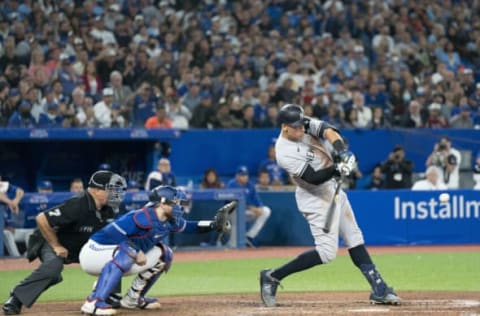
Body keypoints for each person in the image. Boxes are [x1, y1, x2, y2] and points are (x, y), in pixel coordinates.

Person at [259, 104, 400, 307]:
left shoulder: (303, 124)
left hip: (332, 189)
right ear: (284, 127)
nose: (301, 130)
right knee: (326, 253)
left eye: (301, 125)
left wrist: (343, 152)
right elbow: (313, 178)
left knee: (354, 238)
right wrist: (337, 169)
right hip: (313, 197)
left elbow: (328, 129)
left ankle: (379, 288)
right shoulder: (283, 152)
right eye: (296, 127)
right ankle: (273, 276)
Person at [79, 186, 235, 315]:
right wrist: (133, 249)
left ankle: (133, 299)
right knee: (129, 251)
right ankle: (94, 302)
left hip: (118, 256)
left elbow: (190, 226)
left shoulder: (170, 220)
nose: (179, 207)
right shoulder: (140, 217)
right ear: (162, 203)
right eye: (175, 203)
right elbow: (110, 233)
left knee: (165, 254)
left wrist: (214, 225)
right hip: (94, 253)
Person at [2, 171, 127, 315]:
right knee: (53, 269)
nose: (116, 194)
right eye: (111, 190)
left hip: (80, 245)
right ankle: (16, 299)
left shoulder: (109, 209)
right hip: (51, 240)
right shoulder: (78, 204)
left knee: (116, 254)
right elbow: (42, 218)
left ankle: (108, 294)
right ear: (97, 190)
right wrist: (56, 245)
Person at [226, 165, 271, 247]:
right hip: (232, 213)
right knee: (235, 213)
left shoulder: (250, 185)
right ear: (237, 176)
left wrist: (259, 208)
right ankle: (232, 243)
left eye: (246, 175)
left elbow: (257, 200)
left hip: (247, 213)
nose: (245, 177)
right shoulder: (231, 184)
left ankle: (249, 237)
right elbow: (233, 203)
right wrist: (251, 208)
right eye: (242, 175)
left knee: (266, 211)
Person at [0, 175, 25, 258]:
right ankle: (16, 257)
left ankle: (26, 257)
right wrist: (11, 203)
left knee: (30, 233)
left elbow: (20, 191)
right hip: (4, 231)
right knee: (6, 233)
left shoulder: (5, 186)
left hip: (10, 228)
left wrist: (15, 201)